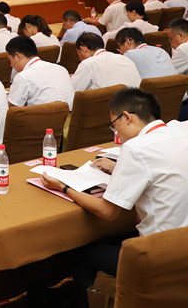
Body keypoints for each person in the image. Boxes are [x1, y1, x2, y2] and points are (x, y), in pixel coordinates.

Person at [39, 88, 188, 308]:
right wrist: (119, 167)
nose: (117, 134)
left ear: (127, 117)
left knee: (82, 255)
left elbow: (107, 212)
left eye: (115, 126)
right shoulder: (181, 129)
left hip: (161, 257)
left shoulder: (135, 148)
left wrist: (64, 186)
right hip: (183, 244)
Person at [6, 36, 75, 109]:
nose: (11, 65)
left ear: (17, 56)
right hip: (69, 115)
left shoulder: (23, 76)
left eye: (10, 60)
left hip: (42, 115)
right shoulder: (62, 69)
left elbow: (13, 108)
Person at [71, 32, 141, 91]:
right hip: (136, 100)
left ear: (82, 49)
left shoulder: (88, 63)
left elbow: (72, 91)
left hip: (110, 102)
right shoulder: (126, 59)